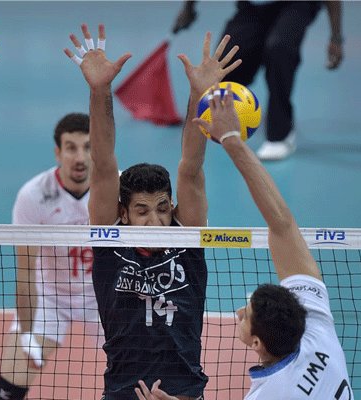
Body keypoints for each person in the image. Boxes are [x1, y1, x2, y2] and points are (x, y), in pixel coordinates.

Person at [134, 84, 354, 399]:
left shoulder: (272, 391)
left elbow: (282, 222)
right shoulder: (316, 327)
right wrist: (231, 139)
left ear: (256, 343)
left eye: (246, 316)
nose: (238, 313)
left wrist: (231, 139)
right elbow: (281, 224)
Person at [63, 24, 241, 400]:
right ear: (123, 213)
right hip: (121, 391)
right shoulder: (110, 241)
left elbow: (190, 168)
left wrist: (199, 93)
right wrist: (100, 91)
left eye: (162, 208)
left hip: (184, 392)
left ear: (172, 206)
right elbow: (104, 164)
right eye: (142, 211)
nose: (155, 220)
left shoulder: (187, 236)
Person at [0, 113, 102, 400]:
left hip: (104, 296)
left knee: (143, 376)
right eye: (71, 148)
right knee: (9, 387)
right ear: (58, 152)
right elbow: (26, 271)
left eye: (88, 147)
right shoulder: (33, 196)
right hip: (50, 297)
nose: (80, 157)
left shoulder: (116, 188)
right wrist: (27, 333)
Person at [172, 1, 344, 160]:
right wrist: (188, 8)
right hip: (254, 5)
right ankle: (226, 120)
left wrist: (336, 37)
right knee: (227, 60)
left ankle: (281, 134)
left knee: (279, 48)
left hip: (296, 4)